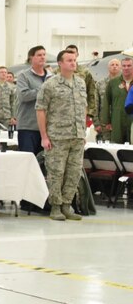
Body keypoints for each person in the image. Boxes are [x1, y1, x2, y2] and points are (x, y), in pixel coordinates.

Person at [36, 49, 87, 221]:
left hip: (77, 136)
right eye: (69, 60)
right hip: (57, 136)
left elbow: (83, 108)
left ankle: (67, 205)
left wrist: (83, 131)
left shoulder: (80, 83)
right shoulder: (50, 84)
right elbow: (40, 110)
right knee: (56, 172)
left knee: (73, 173)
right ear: (60, 63)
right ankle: (55, 206)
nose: (73, 63)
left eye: (74, 60)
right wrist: (44, 136)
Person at [16, 45, 51, 155]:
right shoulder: (24, 76)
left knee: (44, 162)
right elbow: (23, 95)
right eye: (39, 55)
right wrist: (43, 89)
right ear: (31, 58)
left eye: (44, 55)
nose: (42, 57)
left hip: (47, 128)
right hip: (28, 126)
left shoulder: (52, 77)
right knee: (28, 160)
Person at [100, 58, 133, 145]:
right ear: (121, 67)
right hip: (117, 120)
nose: (126, 68)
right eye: (124, 66)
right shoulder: (113, 83)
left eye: (129, 65)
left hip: (132, 120)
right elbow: (106, 102)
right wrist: (107, 121)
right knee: (116, 145)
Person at [64, 44, 96, 123]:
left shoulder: (85, 72)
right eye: (68, 52)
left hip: (80, 112)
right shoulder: (57, 71)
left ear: (77, 54)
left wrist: (90, 112)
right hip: (62, 112)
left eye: (73, 52)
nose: (71, 54)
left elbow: (91, 92)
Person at [0, 66, 17, 134]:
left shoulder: (11, 87)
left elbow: (13, 103)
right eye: (1, 72)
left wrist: (13, 116)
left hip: (7, 116)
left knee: (7, 137)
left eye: (5, 72)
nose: (4, 74)